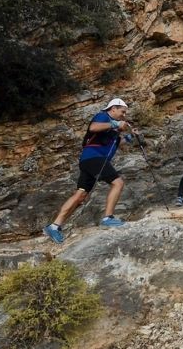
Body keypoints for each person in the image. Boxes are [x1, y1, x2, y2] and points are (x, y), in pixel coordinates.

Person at [41, 98, 135, 244]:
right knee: (118, 183)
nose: (123, 115)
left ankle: (54, 226)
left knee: (80, 194)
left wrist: (129, 138)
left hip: (89, 160)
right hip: (94, 158)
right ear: (113, 109)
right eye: (122, 112)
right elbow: (93, 127)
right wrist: (115, 123)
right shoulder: (103, 116)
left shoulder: (112, 128)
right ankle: (108, 218)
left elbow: (113, 143)